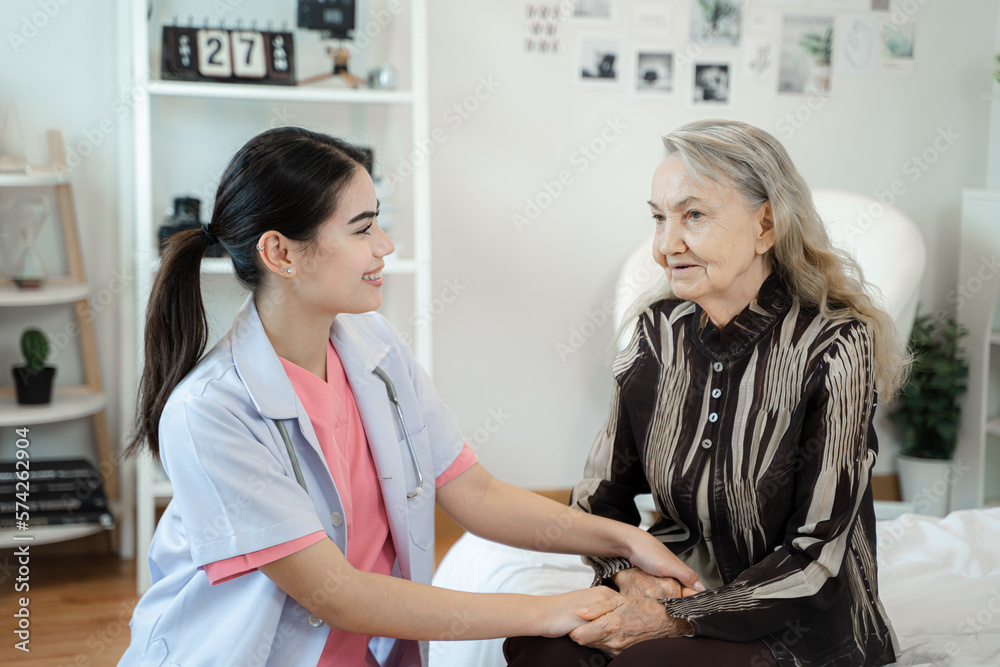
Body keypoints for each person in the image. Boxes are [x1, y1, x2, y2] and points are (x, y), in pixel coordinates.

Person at [118, 126, 702, 667]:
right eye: (363, 228)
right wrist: (554, 609)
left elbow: (474, 493)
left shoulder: (373, 345)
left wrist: (627, 538)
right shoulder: (211, 413)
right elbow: (339, 595)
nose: (386, 245)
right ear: (281, 254)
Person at [504, 119, 904, 666]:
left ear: (766, 225)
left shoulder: (834, 344)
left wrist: (679, 619)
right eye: (658, 218)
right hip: (673, 590)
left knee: (649, 664)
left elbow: (817, 554)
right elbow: (600, 501)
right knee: (538, 647)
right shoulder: (656, 333)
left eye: (693, 215)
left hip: (794, 620)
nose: (666, 245)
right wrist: (628, 582)